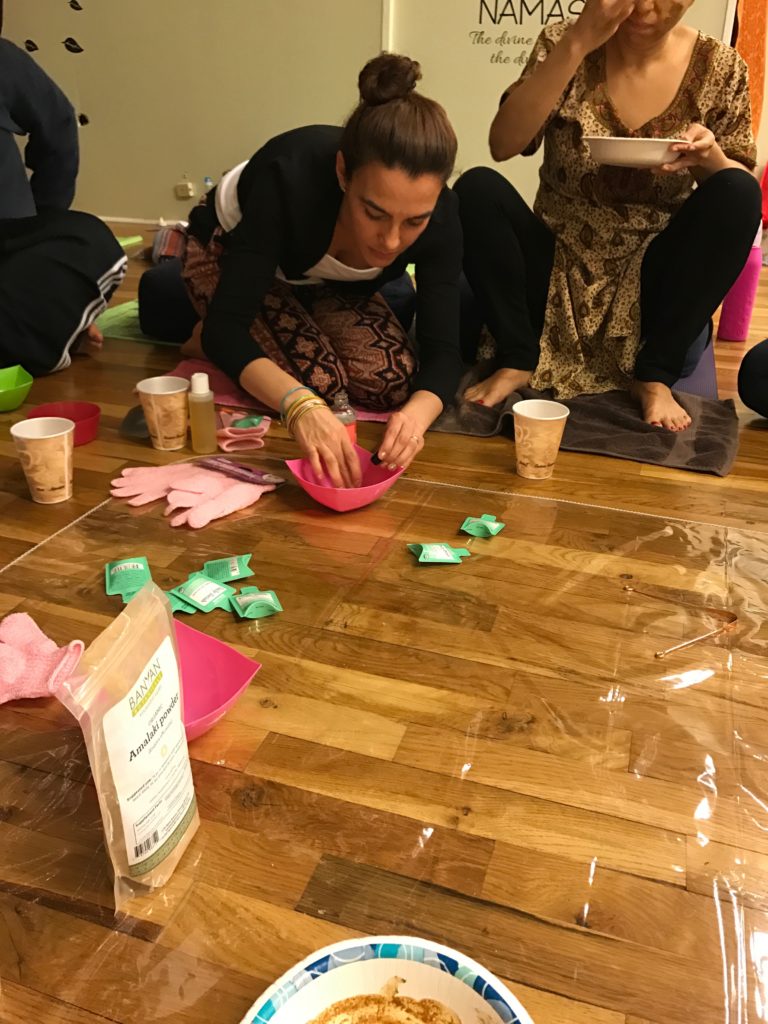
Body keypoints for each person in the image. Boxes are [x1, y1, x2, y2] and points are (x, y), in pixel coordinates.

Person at [454, 0, 762, 431]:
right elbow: (503, 144)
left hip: (653, 281)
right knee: (475, 189)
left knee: (740, 192)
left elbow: (737, 190)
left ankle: (654, 375)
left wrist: (708, 157)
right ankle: (519, 356)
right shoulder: (563, 41)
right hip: (555, 266)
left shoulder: (720, 67)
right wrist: (578, 42)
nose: (643, 7)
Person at [182, 53, 463, 488]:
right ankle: (201, 336)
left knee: (391, 381)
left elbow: (443, 347)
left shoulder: (442, 215)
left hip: (319, 280)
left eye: (414, 221)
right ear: (343, 173)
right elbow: (228, 328)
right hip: (225, 250)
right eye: (374, 213)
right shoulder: (290, 175)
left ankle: (280, 329)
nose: (391, 241)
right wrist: (299, 406)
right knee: (322, 383)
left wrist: (415, 417)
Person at [0, 39, 127, 375]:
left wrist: (43, 225)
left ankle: (43, 327)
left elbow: (57, 128)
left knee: (86, 237)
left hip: (13, 245)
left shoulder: (3, 59)